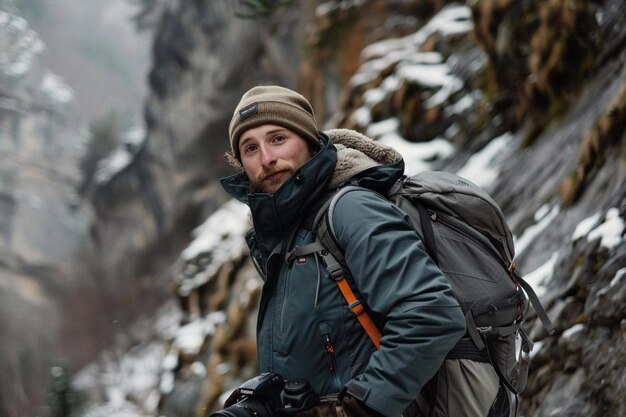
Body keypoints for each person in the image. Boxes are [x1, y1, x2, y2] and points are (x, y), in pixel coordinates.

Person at [220, 85, 466, 417]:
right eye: (250, 148)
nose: (266, 158)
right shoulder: (284, 240)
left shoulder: (350, 210)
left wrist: (359, 407)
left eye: (278, 138)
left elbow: (431, 313)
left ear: (308, 140)